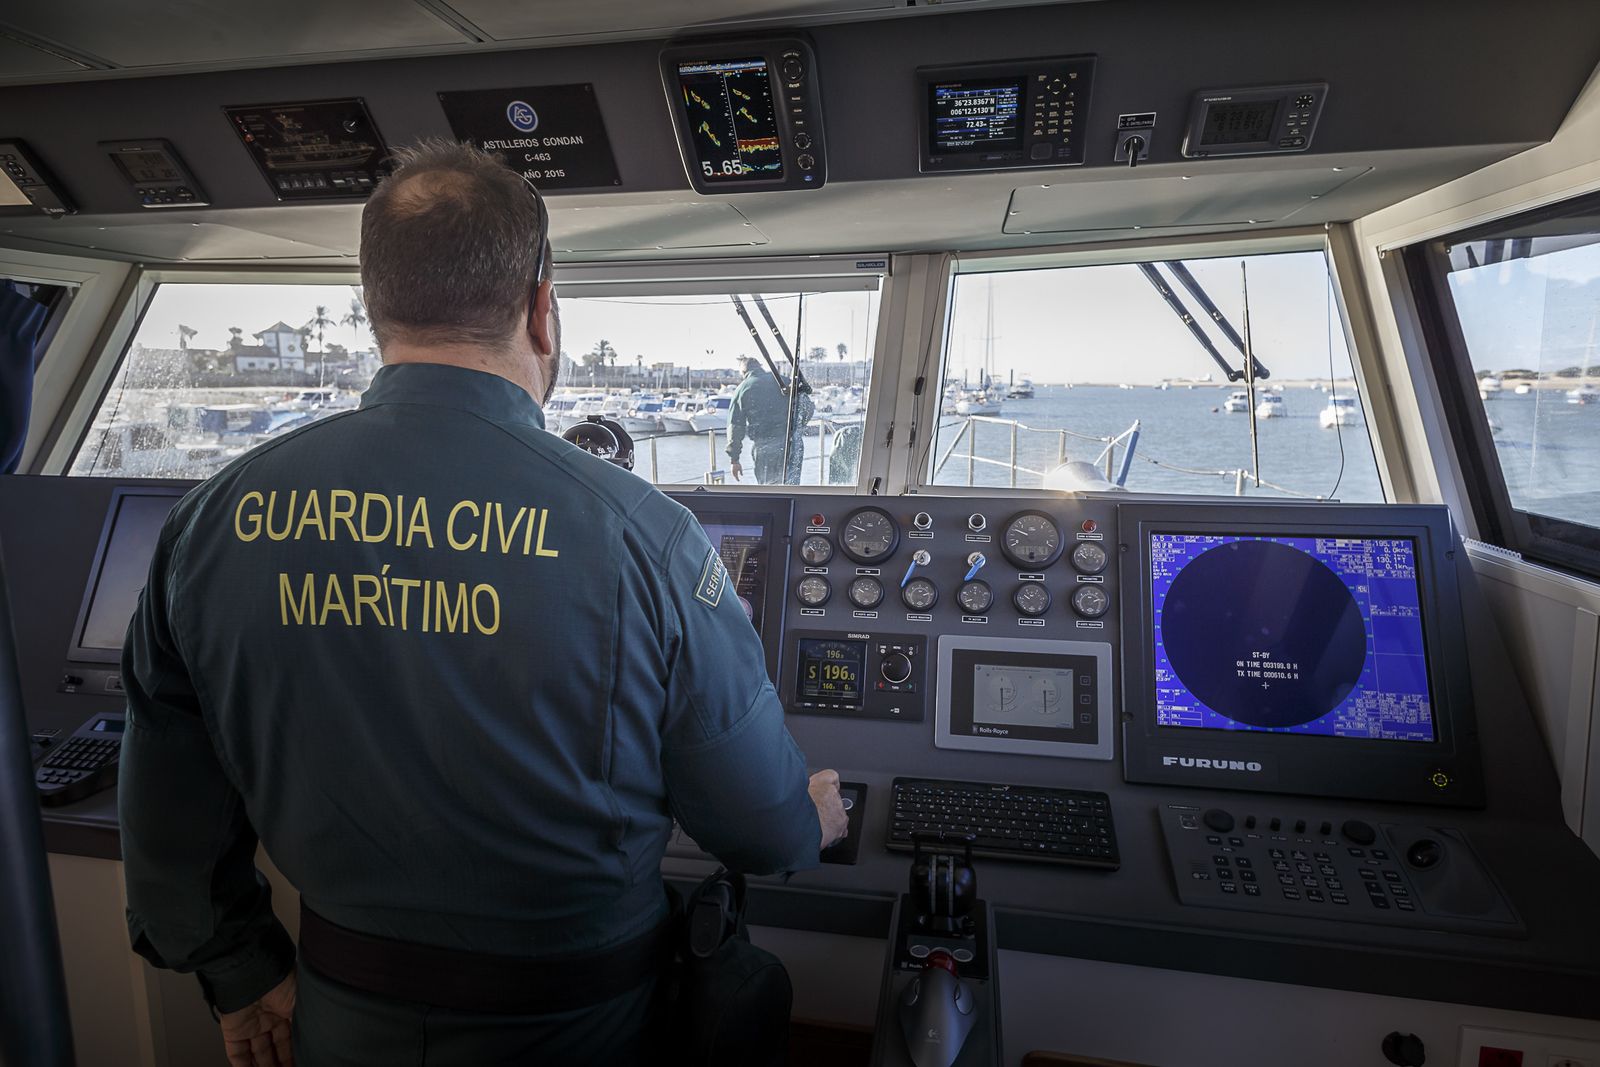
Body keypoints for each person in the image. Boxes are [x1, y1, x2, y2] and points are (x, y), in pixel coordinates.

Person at [117, 140, 849, 1067]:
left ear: (375, 305)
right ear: (542, 310)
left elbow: (168, 813)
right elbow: (757, 826)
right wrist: (808, 817)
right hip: (583, 1028)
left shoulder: (210, 522)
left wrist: (241, 972)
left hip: (340, 1020)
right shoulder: (647, 536)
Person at [726, 353, 809, 484]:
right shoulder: (784, 381)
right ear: (760, 367)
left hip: (765, 448)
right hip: (793, 444)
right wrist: (796, 428)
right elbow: (807, 408)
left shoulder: (743, 389)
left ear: (743, 371)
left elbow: (735, 427)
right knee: (791, 487)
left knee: (769, 488)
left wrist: (734, 459)